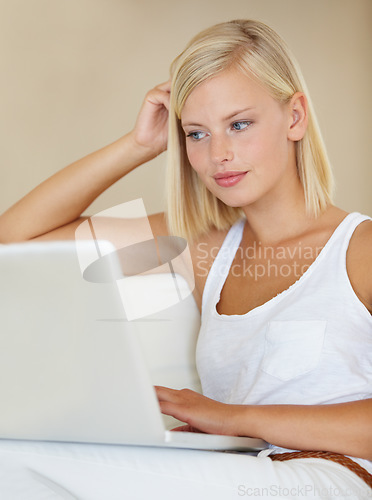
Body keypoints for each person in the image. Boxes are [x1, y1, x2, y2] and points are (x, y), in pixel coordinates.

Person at [0, 18, 371, 499]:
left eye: (239, 124)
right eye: (197, 134)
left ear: (295, 116)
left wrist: (232, 418)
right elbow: (17, 241)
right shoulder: (204, 246)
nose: (219, 153)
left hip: (336, 477)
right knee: (13, 454)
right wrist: (138, 145)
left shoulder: (359, 249)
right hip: (240, 469)